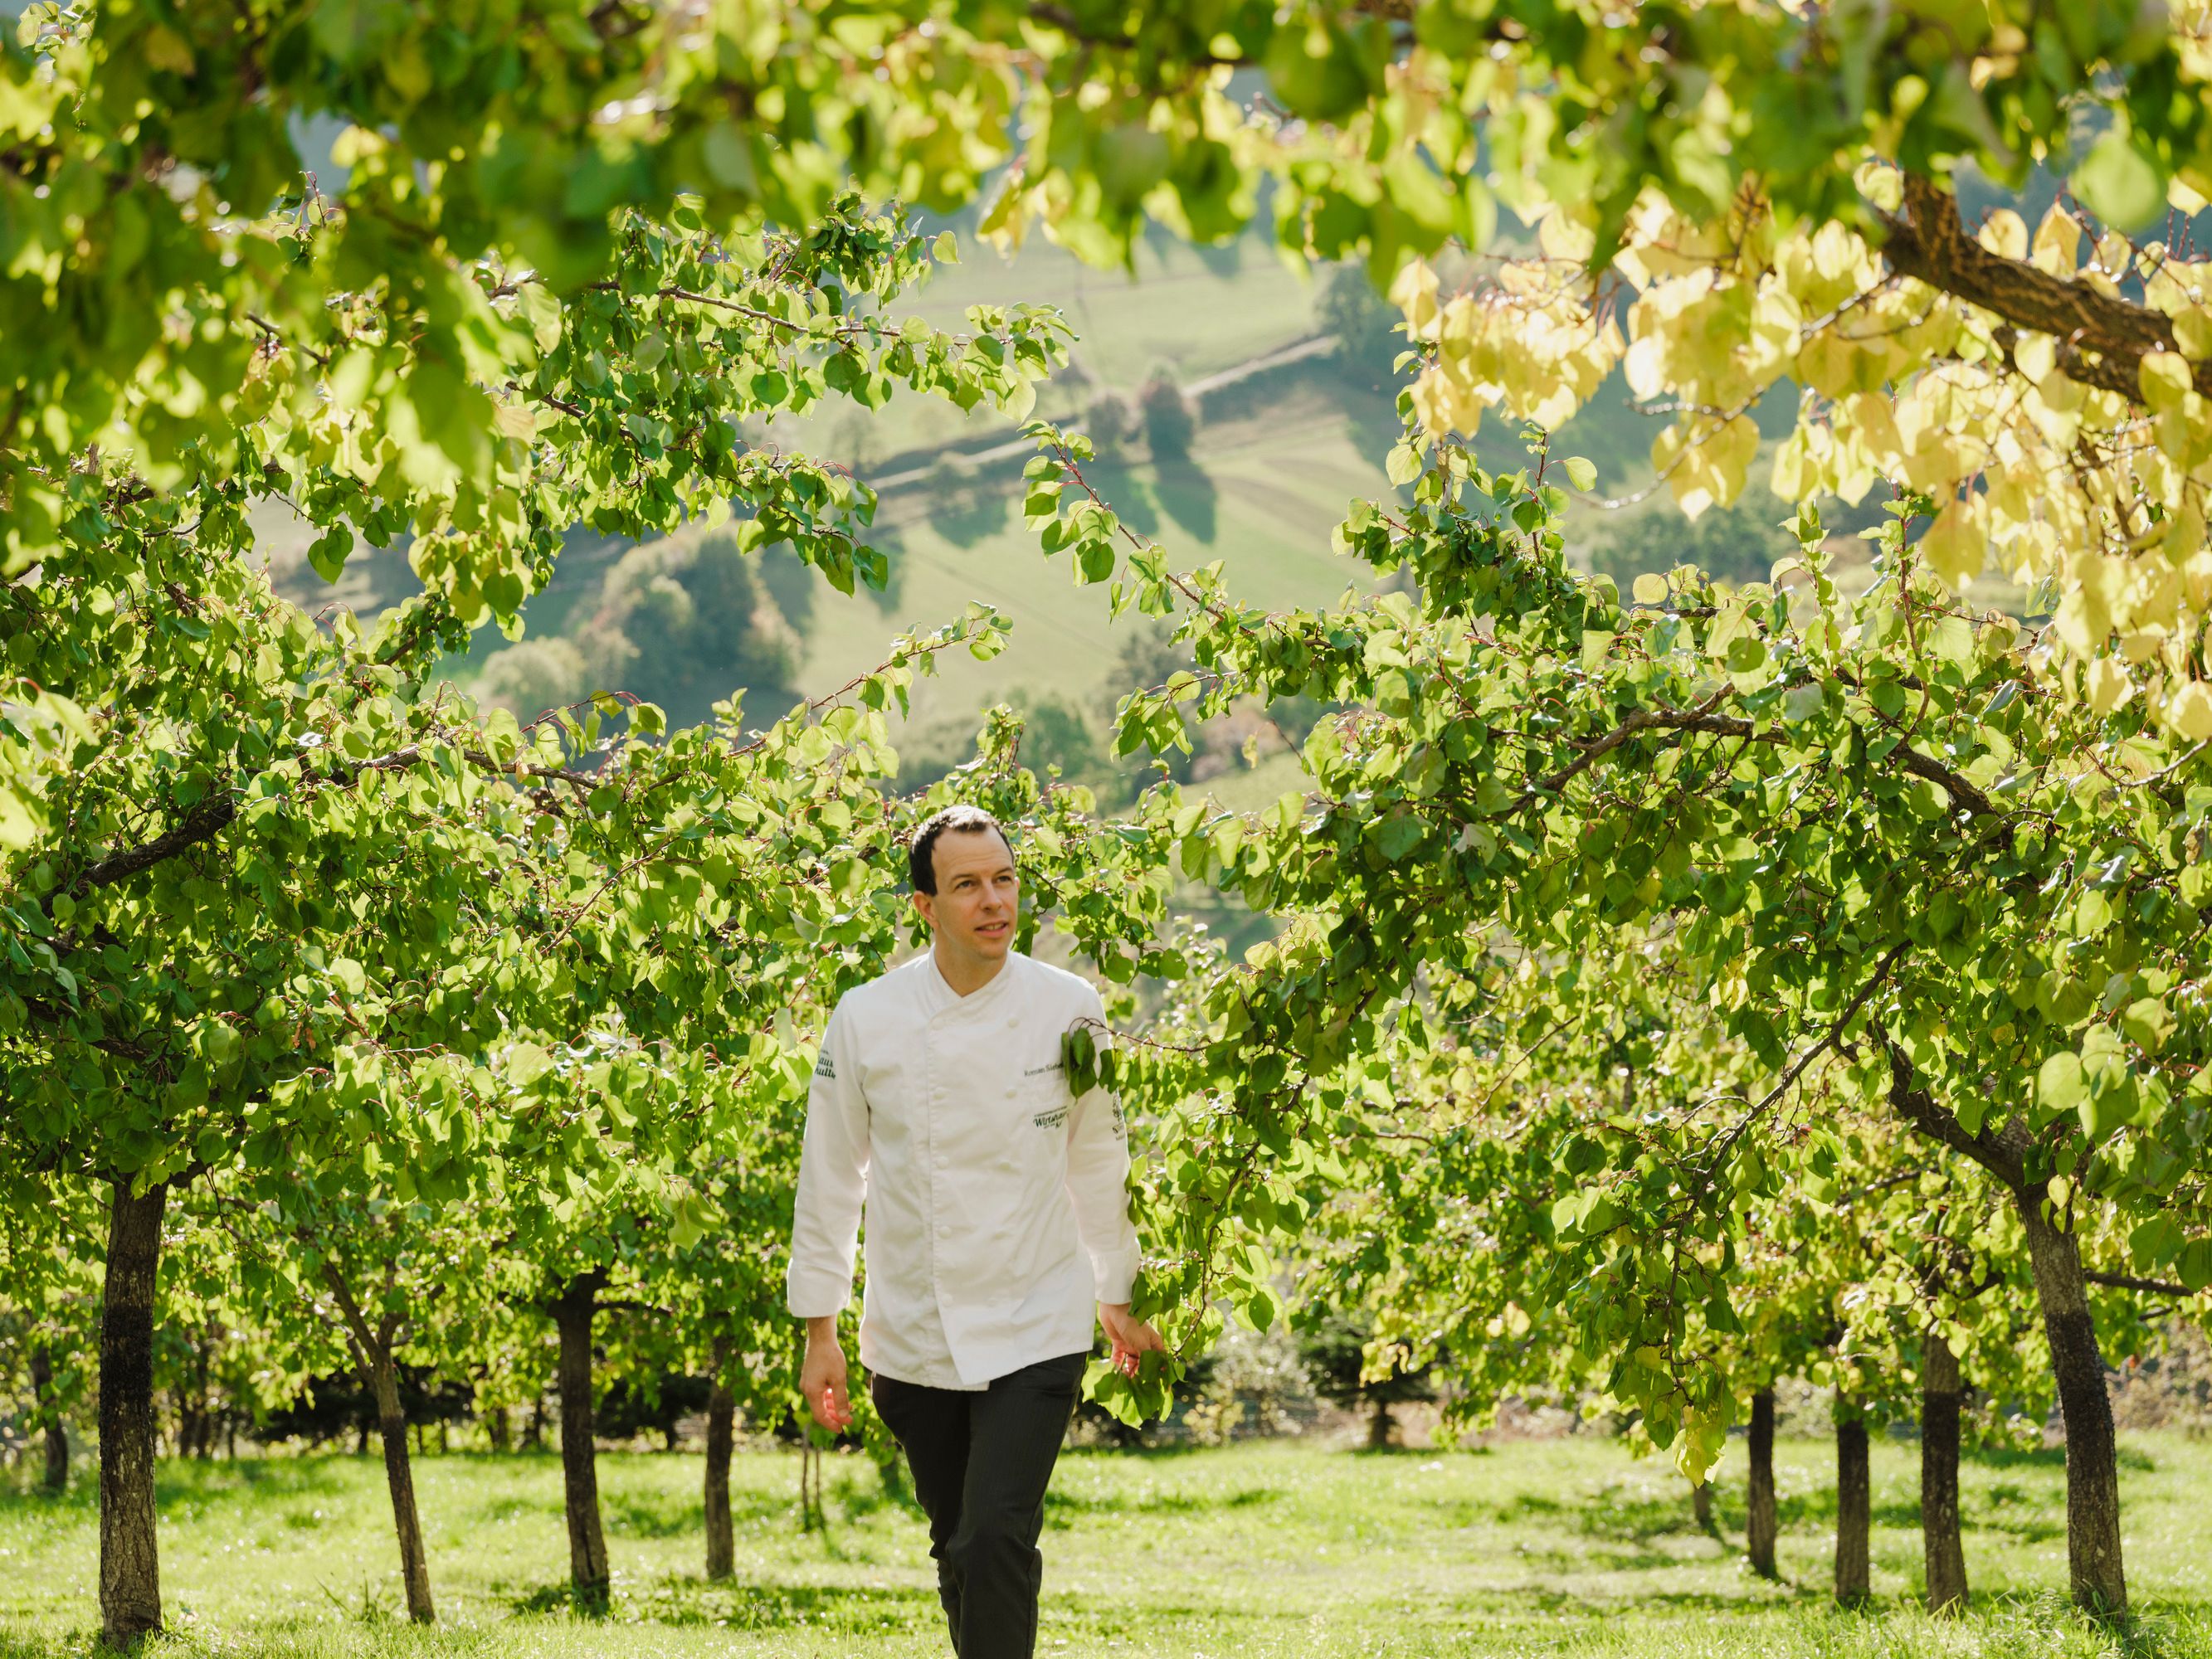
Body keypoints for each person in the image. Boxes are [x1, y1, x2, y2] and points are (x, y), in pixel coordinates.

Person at [786, 803, 1165, 1659]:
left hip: (1037, 1319)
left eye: (1004, 879)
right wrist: (821, 1329)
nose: (993, 901)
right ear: (923, 905)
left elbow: (1097, 1155)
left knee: (993, 1537)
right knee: (958, 1547)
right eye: (966, 885)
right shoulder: (867, 1017)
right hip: (912, 1333)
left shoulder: (1067, 1006)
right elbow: (830, 1179)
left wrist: (1119, 1289)